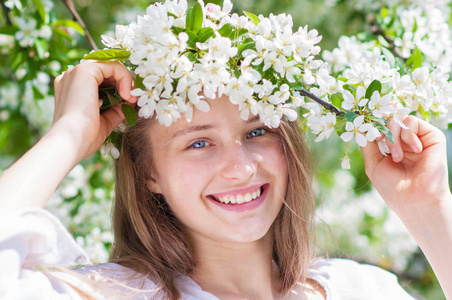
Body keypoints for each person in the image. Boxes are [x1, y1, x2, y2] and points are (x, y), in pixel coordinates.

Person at [0, 59, 451, 300]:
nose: (241, 167)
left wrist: (429, 213)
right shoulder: (111, 295)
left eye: (257, 132)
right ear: (148, 173)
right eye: (198, 142)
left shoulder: (360, 291)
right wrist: (69, 134)